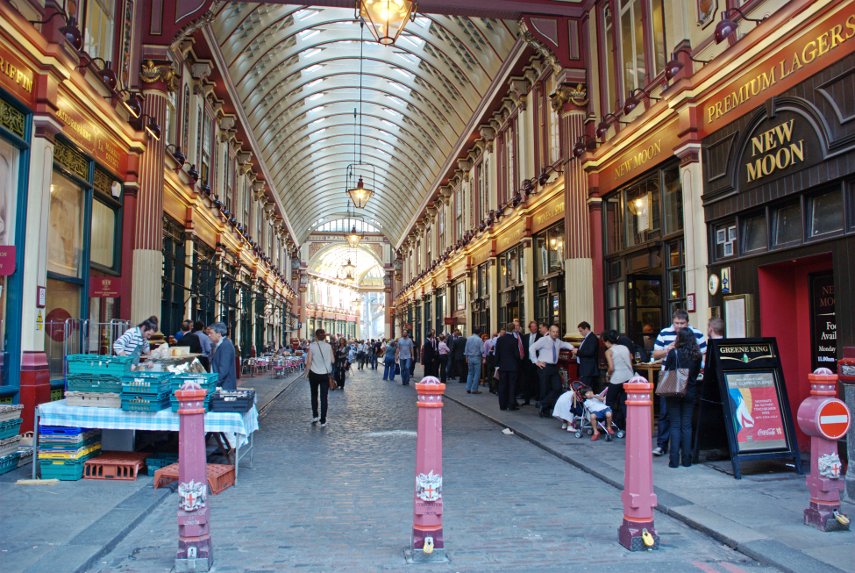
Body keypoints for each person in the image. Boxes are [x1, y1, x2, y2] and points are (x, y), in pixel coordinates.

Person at [652, 309, 707, 456]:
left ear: (687, 323)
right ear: (673, 322)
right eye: (676, 323)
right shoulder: (664, 333)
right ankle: (662, 445)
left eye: (682, 323)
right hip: (670, 376)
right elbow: (655, 353)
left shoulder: (697, 333)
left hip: (689, 377)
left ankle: (682, 447)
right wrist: (667, 350)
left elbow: (704, 353)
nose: (679, 326)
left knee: (684, 417)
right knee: (665, 413)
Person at [662, 328, 703, 467]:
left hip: (674, 390)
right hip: (690, 391)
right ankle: (687, 460)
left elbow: (667, 370)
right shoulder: (697, 355)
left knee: (675, 425)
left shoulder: (674, 353)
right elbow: (696, 373)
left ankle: (673, 461)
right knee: (687, 425)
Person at [531, 324, 575, 417]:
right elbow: (532, 348)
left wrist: (572, 348)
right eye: (553, 332)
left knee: (558, 388)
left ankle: (543, 403)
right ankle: (545, 411)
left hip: (554, 367)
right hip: (544, 367)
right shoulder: (544, 340)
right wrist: (536, 361)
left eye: (557, 332)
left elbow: (565, 344)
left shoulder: (558, 342)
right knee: (544, 388)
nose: (555, 334)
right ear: (550, 332)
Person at [603, 330, 634, 429]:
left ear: (607, 341)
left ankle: (611, 424)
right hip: (629, 377)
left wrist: (608, 374)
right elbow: (631, 359)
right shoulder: (625, 347)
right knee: (625, 402)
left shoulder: (609, 351)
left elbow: (611, 367)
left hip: (616, 379)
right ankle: (627, 425)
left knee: (609, 402)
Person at [305, 329, 334, 427]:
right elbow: (333, 360)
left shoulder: (312, 346)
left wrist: (306, 372)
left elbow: (308, 362)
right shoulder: (328, 346)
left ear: (316, 336)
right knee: (324, 397)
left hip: (314, 373)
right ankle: (323, 420)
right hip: (325, 374)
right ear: (324, 337)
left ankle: (315, 416)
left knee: (314, 395)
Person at [494, 322, 523, 411]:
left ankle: (502, 405)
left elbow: (497, 354)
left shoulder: (500, 339)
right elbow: (517, 354)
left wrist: (497, 365)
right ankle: (511, 405)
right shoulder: (514, 340)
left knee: (502, 386)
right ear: (513, 329)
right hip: (512, 367)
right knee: (512, 386)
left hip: (502, 366)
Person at [208, 322, 237, 391]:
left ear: (218, 334)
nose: (209, 335)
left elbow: (223, 369)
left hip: (224, 387)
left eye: (211, 333)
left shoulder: (225, 346)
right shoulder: (218, 345)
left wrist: (215, 384)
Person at [521, 320, 542, 406]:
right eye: (532, 326)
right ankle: (526, 400)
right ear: (529, 328)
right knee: (527, 381)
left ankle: (537, 399)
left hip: (537, 362)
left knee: (537, 380)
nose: (534, 328)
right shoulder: (525, 337)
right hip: (527, 362)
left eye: (535, 326)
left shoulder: (541, 337)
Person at [575, 321, 600, 390]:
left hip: (588, 368)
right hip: (585, 368)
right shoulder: (587, 338)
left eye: (581, 331)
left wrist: (577, 352)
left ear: (586, 329)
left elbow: (590, 352)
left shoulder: (592, 338)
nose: (580, 333)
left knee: (585, 388)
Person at [463, 329, 484, 394]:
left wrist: (466, 357)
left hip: (469, 357)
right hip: (477, 357)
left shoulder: (468, 339)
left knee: (470, 373)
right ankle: (474, 389)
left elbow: (466, 349)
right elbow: (482, 350)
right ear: (479, 333)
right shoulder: (479, 340)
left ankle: (468, 388)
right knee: (477, 374)